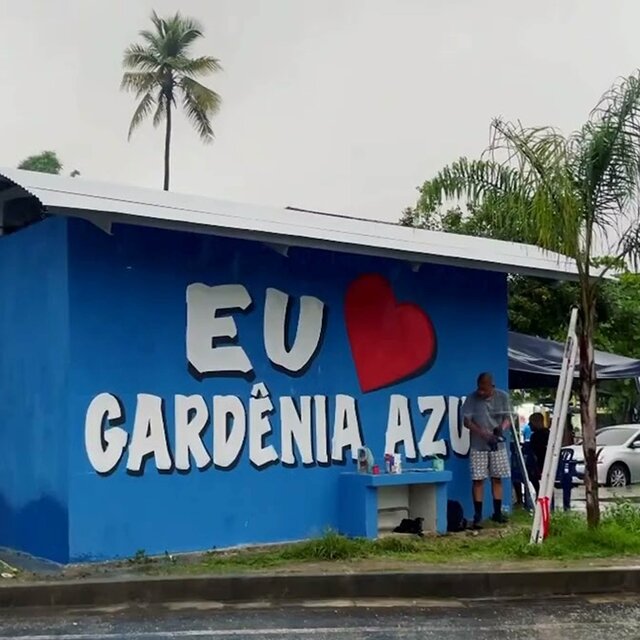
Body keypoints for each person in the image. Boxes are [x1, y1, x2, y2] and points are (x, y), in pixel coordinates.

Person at [462, 372, 512, 528]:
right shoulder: (472, 398)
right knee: (478, 479)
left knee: (497, 477)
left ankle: (497, 512)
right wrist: (481, 433)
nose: (481, 392)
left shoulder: (502, 397)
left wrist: (501, 429)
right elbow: (466, 421)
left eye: (484, 389)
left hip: (497, 444)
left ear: (492, 386)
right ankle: (478, 515)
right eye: (479, 388)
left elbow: (509, 418)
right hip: (478, 445)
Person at [528, 412, 548, 495]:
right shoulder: (548, 433)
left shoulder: (536, 436)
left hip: (540, 465)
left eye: (530, 423)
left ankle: (538, 491)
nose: (529, 425)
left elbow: (533, 451)